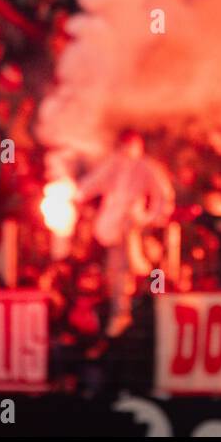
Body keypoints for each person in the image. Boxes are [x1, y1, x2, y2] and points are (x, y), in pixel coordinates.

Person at [73, 129, 174, 336]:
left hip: (137, 228)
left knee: (145, 270)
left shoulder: (146, 166)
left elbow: (163, 195)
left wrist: (151, 219)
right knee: (116, 272)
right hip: (114, 228)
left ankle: (147, 309)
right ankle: (120, 314)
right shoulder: (113, 164)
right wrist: (74, 193)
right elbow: (92, 183)